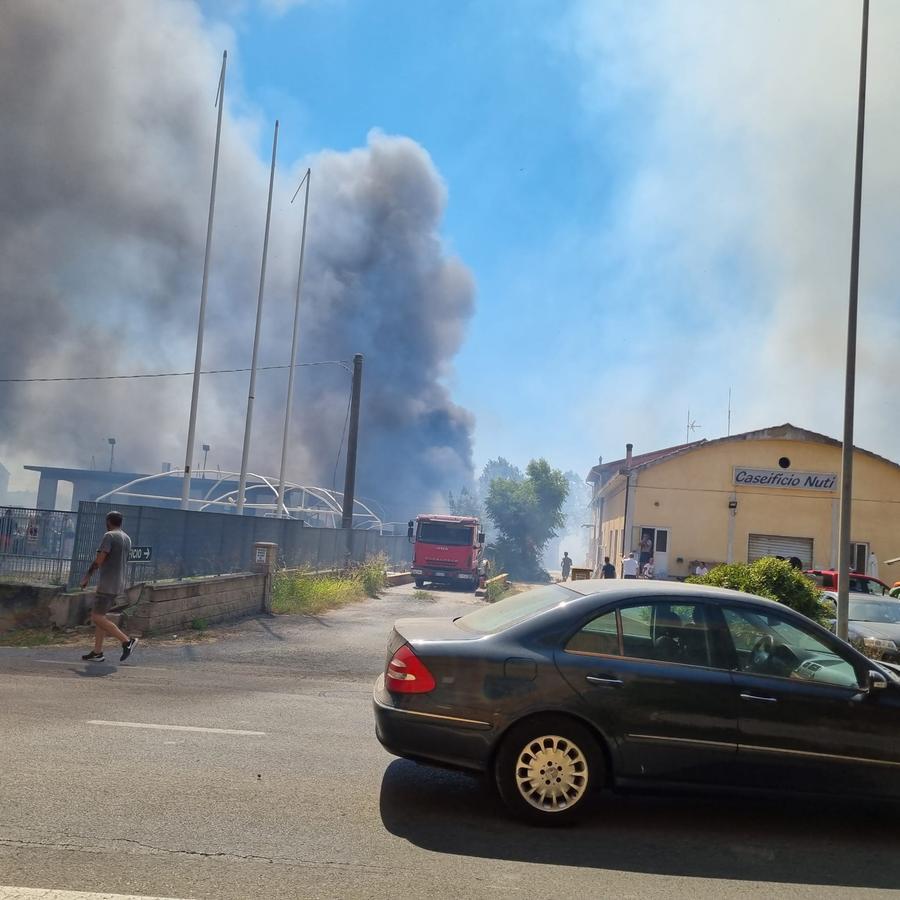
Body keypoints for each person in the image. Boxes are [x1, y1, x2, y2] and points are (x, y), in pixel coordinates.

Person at [80, 511, 138, 663]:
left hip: (107, 584)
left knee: (96, 617)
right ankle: (97, 652)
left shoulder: (109, 536)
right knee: (101, 617)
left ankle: (126, 641)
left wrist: (86, 577)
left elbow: (99, 561)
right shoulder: (127, 538)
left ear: (108, 521)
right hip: (119, 584)